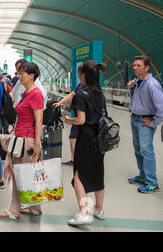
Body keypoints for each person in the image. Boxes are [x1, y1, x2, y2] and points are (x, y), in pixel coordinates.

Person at [0, 62, 44, 220]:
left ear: (31, 76)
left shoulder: (36, 94)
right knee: (27, 174)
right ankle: (35, 207)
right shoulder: (26, 93)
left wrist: (37, 143)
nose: (19, 76)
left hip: (27, 141)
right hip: (20, 138)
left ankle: (14, 210)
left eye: (22, 74)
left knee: (20, 175)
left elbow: (39, 121)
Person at [64, 60, 108, 226]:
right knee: (98, 173)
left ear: (84, 75)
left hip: (86, 140)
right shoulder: (101, 94)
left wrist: (70, 120)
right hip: (100, 140)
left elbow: (81, 120)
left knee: (79, 176)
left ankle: (83, 214)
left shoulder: (82, 95)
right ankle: (99, 209)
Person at [127, 55, 163, 194]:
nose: (135, 67)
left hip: (145, 121)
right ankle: (143, 175)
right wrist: (131, 88)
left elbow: (161, 108)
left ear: (146, 68)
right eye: (134, 65)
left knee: (146, 150)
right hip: (135, 118)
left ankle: (152, 183)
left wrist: (153, 122)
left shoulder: (152, 85)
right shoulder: (137, 81)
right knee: (138, 149)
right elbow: (138, 100)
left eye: (138, 65)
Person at [53, 65, 84, 165]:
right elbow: (71, 94)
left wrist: (69, 120)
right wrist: (60, 102)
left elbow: (81, 119)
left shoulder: (87, 88)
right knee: (73, 136)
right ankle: (75, 159)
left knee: (77, 137)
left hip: (82, 119)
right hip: (79, 117)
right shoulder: (81, 85)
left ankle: (77, 160)